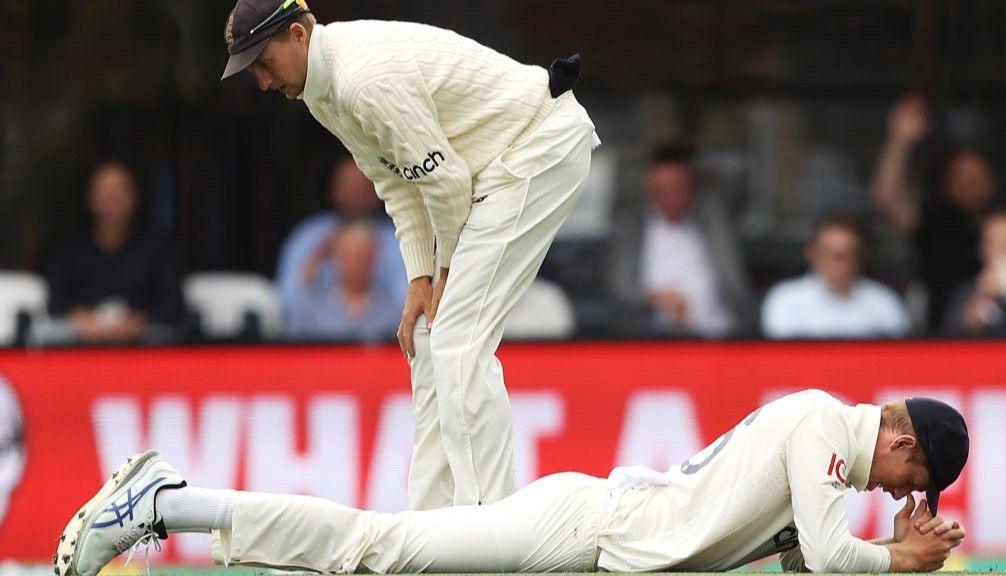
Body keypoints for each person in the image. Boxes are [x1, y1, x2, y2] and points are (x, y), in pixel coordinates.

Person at [220, 0, 598, 509]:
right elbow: (397, 185)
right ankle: (432, 523)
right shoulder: (321, 92)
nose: (263, 82)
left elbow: (445, 184)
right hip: (490, 166)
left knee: (458, 340)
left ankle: (494, 531)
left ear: (298, 35)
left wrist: (442, 272)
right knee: (428, 334)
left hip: (536, 147)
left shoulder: (363, 81)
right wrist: (420, 281)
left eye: (264, 63)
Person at [56, 389, 969, 576]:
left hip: (601, 550)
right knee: (381, 548)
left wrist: (897, 552)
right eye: (915, 476)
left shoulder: (835, 456)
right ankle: (164, 503)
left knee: (378, 556)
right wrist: (902, 559)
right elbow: (825, 552)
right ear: (900, 436)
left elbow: (801, 569)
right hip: (585, 530)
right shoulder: (821, 423)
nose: (902, 496)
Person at [870, 94, 998, 330]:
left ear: (991, 182)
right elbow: (887, 198)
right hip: (941, 339)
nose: (969, 183)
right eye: (960, 177)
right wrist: (900, 141)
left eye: (975, 176)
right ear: (945, 184)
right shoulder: (935, 223)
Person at [609, 144, 754, 337]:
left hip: (718, 334)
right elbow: (621, 286)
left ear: (691, 188)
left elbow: (735, 283)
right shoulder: (633, 229)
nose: (668, 198)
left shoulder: (714, 222)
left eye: (675, 188)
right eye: (659, 190)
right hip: (651, 338)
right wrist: (653, 299)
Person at [45, 161, 183, 343]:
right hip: (80, 344)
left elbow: (173, 303)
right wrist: (81, 318)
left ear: (134, 196)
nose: (112, 197)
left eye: (119, 190)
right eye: (104, 191)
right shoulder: (70, 250)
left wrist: (140, 321)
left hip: (144, 345)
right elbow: (55, 301)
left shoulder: (158, 250)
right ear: (90, 197)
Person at [277, 155, 407, 314]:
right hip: (317, 332)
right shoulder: (309, 235)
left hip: (379, 331)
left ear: (377, 190)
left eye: (362, 186)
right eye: (348, 186)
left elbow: (407, 302)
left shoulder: (399, 237)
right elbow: (286, 303)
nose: (355, 194)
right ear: (333, 190)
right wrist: (316, 260)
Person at [762, 215, 910, 339]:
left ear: (861, 257)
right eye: (830, 253)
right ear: (812, 253)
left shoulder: (883, 302)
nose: (838, 262)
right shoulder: (786, 299)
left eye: (846, 254)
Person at [283, 220, 403, 340]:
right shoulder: (311, 310)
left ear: (374, 257)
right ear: (336, 256)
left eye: (361, 255)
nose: (354, 262)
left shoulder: (392, 314)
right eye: (348, 254)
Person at [943, 210, 1006, 336]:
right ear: (982, 249)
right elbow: (952, 340)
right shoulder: (966, 292)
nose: (1003, 251)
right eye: (996, 244)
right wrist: (982, 295)